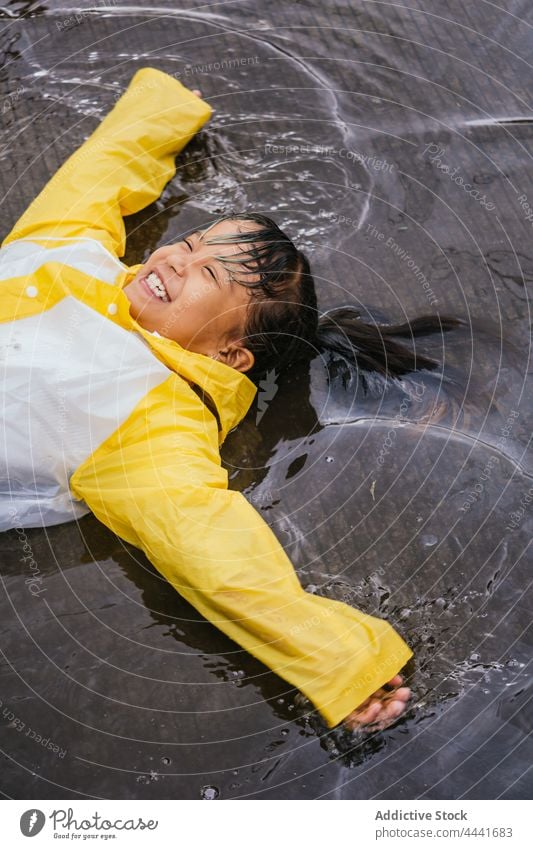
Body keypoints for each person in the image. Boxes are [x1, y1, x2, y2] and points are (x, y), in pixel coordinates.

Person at [0, 66, 459, 733]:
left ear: (228, 355)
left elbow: (213, 553)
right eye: (188, 243)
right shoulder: (74, 248)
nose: (174, 262)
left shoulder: (151, 423)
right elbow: (97, 173)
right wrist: (162, 110)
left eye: (202, 276)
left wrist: (335, 660)